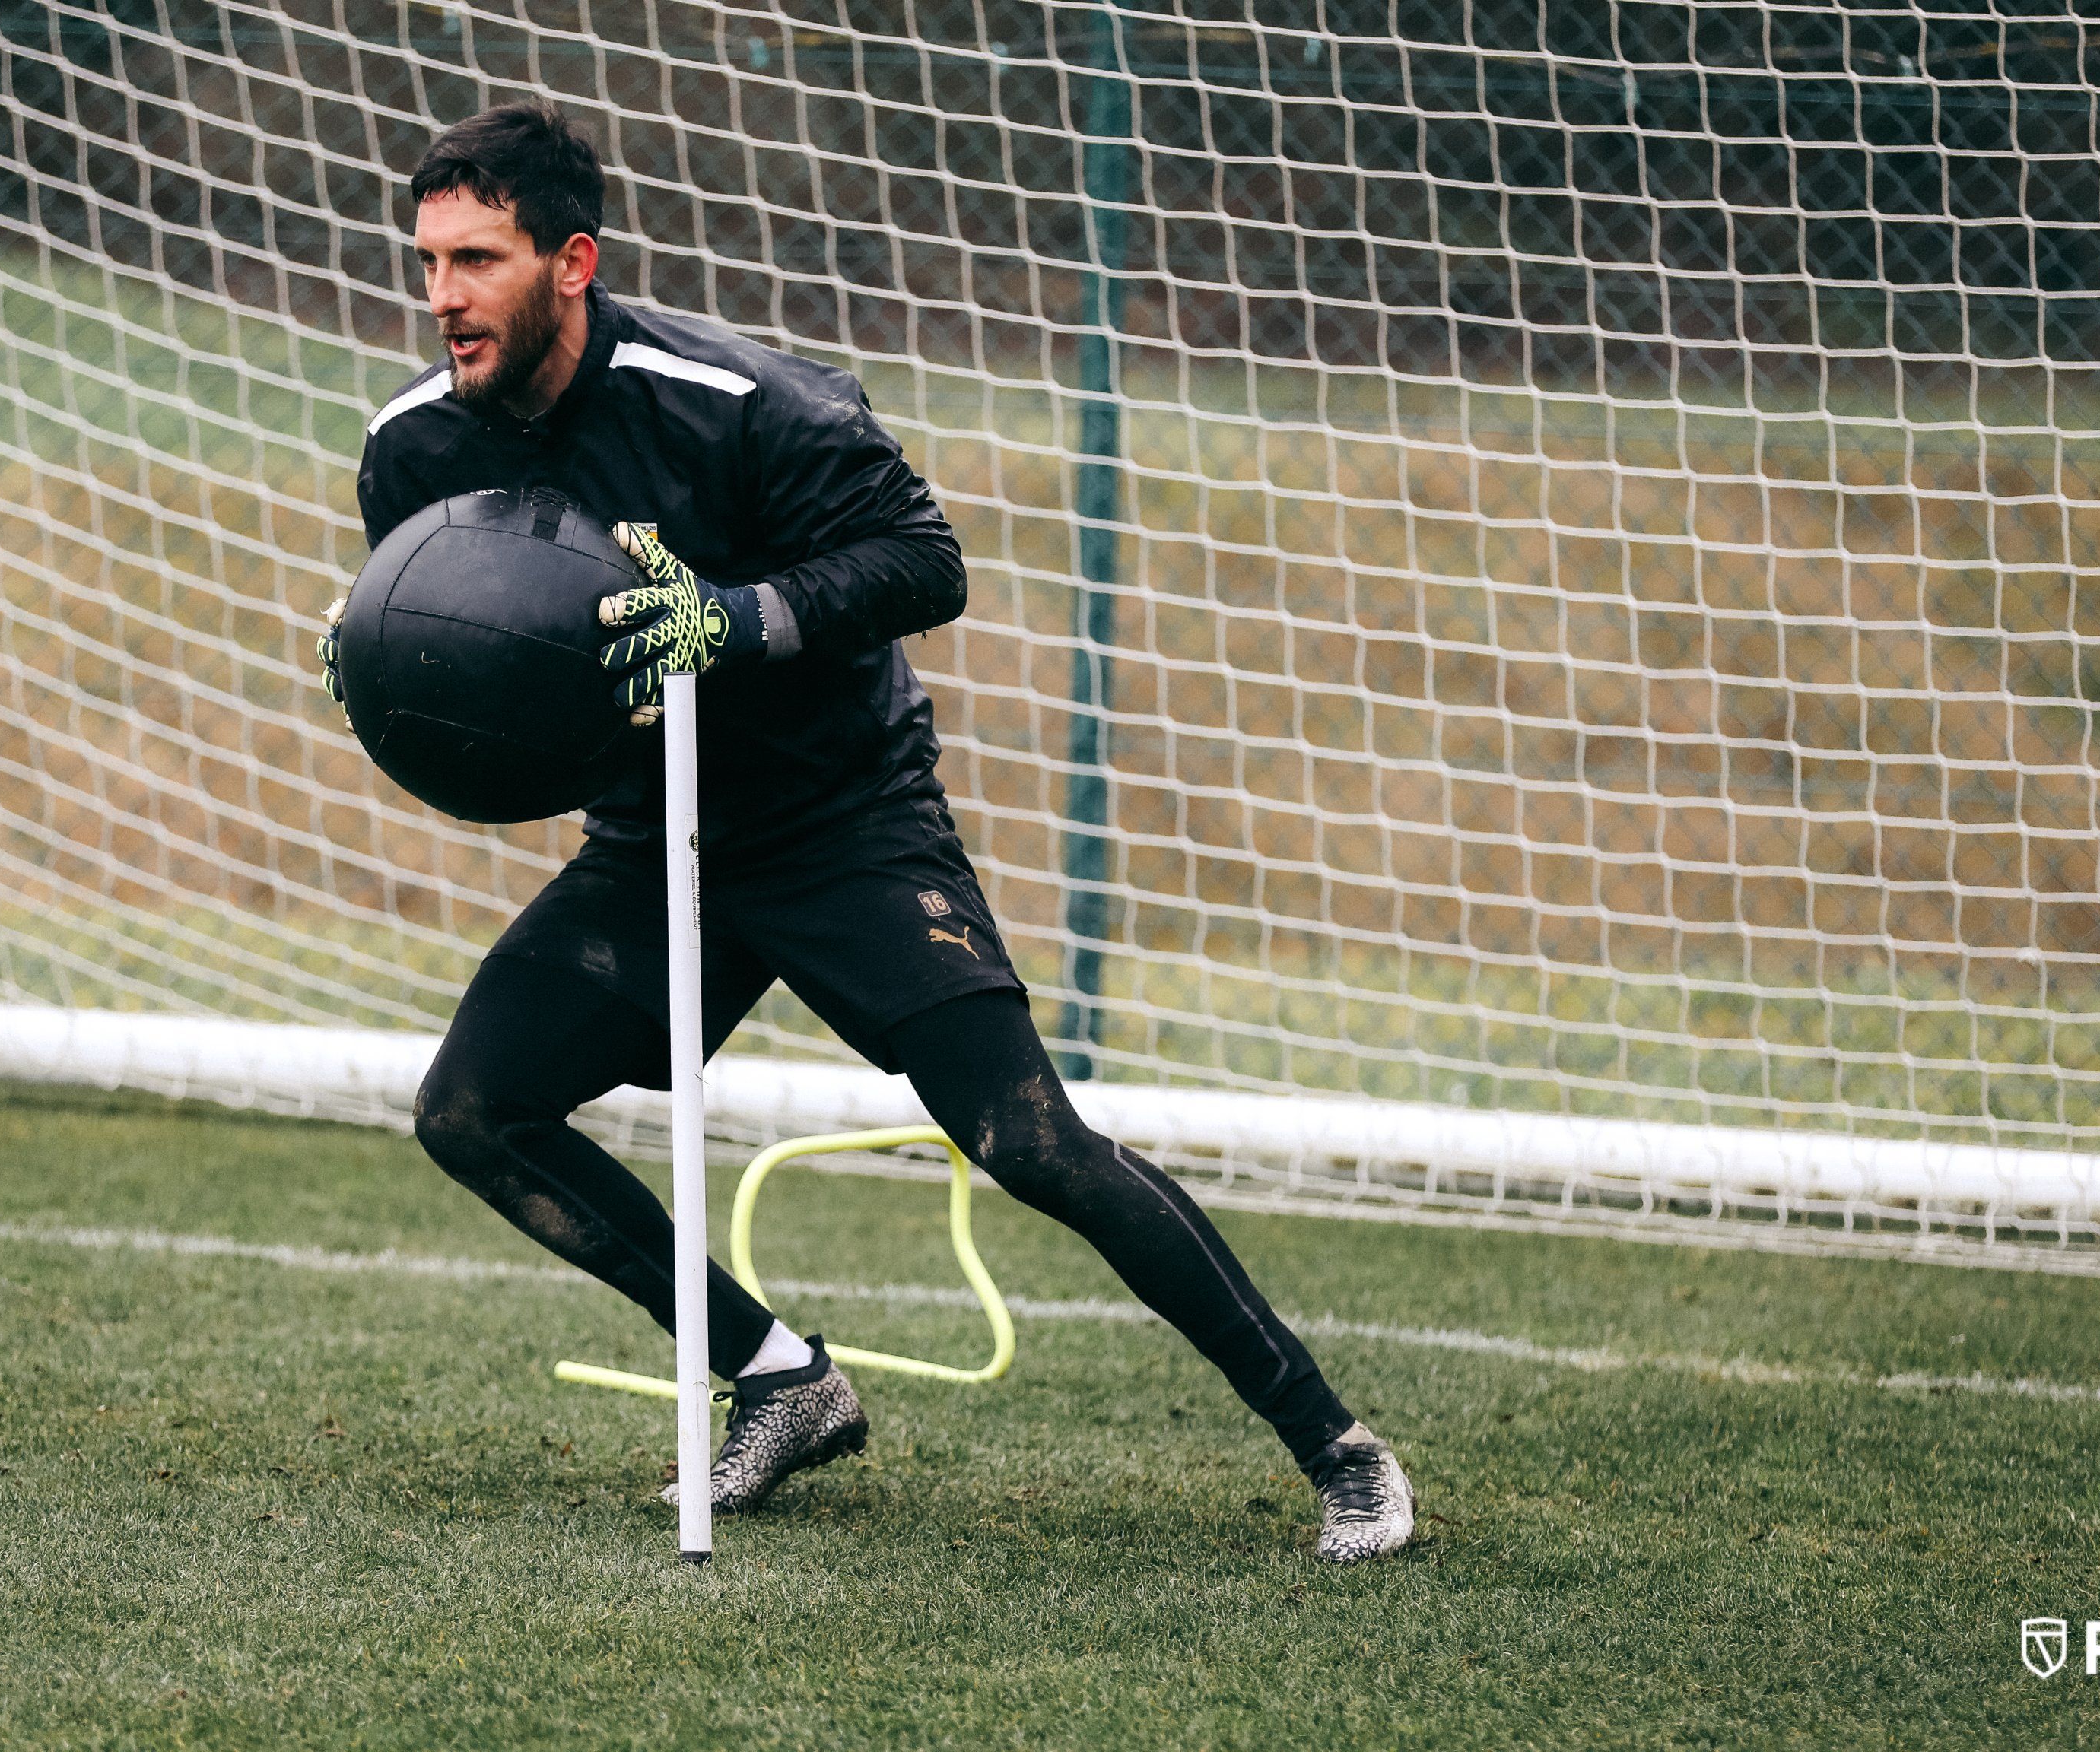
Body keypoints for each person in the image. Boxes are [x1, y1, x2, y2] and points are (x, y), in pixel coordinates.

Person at [329, 100, 1413, 1563]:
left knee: (1031, 1144)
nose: (443, 297)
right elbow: (472, 653)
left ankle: (1336, 1445)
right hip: (659, 848)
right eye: (429, 263)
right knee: (472, 1111)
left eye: (478, 260)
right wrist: (386, 666)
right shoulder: (412, 451)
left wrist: (737, 620)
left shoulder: (736, 403)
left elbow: (926, 560)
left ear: (572, 261)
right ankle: (782, 1379)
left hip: (845, 824)